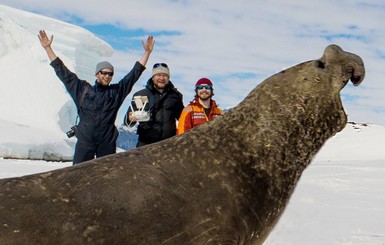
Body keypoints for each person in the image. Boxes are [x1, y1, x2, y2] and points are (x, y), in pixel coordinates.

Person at [38, 30, 154, 164]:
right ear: (97, 74)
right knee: (78, 177)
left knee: (107, 179)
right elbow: (62, 71)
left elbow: (134, 74)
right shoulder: (82, 89)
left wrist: (147, 53)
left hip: (106, 144)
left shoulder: (116, 92)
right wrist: (48, 48)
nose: (107, 76)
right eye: (104, 72)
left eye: (110, 74)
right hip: (85, 143)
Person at [124, 63, 184, 147]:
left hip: (168, 144)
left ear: (168, 78)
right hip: (145, 144)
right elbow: (127, 122)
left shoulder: (175, 96)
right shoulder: (141, 95)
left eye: (165, 75)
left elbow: (182, 118)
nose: (161, 78)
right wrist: (130, 118)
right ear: (153, 77)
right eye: (158, 75)